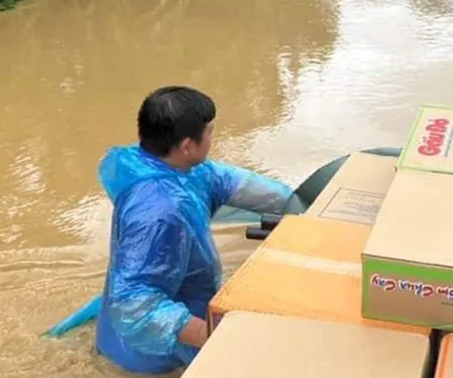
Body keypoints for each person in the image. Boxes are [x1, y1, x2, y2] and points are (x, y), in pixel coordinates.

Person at [94, 86, 300, 374]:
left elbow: (238, 184)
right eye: (211, 132)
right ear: (188, 145)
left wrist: (303, 203)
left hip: (155, 324)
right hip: (154, 358)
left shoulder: (165, 167)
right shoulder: (160, 214)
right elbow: (134, 303)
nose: (213, 139)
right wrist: (216, 336)